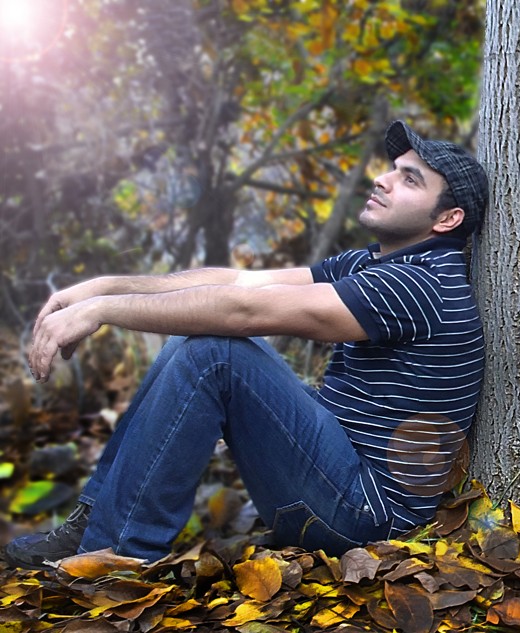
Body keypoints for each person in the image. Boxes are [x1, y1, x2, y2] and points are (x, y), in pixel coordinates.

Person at [5, 120, 489, 570]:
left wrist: (103, 312)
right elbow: (239, 282)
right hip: (339, 477)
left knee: (215, 354)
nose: (383, 179)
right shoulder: (375, 264)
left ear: (447, 218)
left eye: (409, 180)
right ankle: (97, 524)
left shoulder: (421, 284)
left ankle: (116, 556)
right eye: (392, 169)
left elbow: (245, 311)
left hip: (365, 516)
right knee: (198, 338)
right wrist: (106, 287)